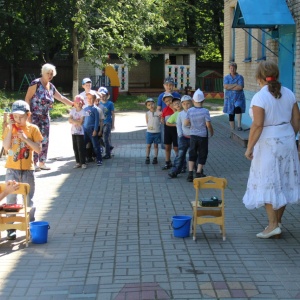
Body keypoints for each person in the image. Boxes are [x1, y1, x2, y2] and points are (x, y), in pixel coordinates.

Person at [243, 61, 300, 239]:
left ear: (259, 77)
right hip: (287, 140)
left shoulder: (260, 97)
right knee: (283, 181)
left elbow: (258, 125)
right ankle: (277, 222)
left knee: (268, 181)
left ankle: (273, 224)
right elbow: (297, 122)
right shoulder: (289, 93)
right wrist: (289, 137)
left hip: (268, 143)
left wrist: (249, 147)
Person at [2, 100, 43, 240]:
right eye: (16, 117)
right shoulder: (9, 128)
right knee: (11, 199)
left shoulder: (33, 129)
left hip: (27, 170)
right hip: (12, 170)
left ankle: (30, 225)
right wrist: (10, 127)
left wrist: (25, 139)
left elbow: (38, 149)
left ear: (28, 115)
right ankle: (11, 228)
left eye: (21, 117)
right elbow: (6, 148)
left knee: (28, 200)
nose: (18, 120)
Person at [25, 63, 73, 171]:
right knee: (34, 139)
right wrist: (28, 114)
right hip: (34, 116)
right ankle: (33, 163)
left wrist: (73, 104)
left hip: (45, 117)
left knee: (45, 140)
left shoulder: (51, 86)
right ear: (43, 73)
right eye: (48, 73)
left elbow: (61, 97)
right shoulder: (36, 83)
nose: (50, 75)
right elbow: (27, 98)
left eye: (51, 74)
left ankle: (42, 162)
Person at [184, 89, 214, 182]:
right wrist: (211, 132)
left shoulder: (190, 111)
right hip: (203, 136)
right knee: (202, 153)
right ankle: (198, 172)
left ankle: (190, 174)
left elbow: (185, 123)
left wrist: (192, 125)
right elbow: (208, 124)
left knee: (192, 153)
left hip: (193, 135)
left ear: (193, 101)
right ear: (203, 101)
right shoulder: (205, 111)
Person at [168, 95, 193, 178]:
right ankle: (175, 170)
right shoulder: (180, 114)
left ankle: (196, 170)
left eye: (188, 103)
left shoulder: (194, 112)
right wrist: (180, 135)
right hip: (183, 137)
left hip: (193, 137)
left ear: (191, 103)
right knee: (180, 154)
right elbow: (178, 125)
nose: (186, 105)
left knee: (194, 154)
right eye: (184, 104)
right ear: (182, 104)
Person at [156, 77, 181, 149]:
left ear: (173, 85)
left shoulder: (177, 95)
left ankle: (178, 152)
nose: (169, 87)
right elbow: (158, 109)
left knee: (177, 139)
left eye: (170, 85)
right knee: (166, 142)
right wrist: (160, 114)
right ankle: (167, 157)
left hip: (176, 117)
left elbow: (181, 106)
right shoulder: (161, 96)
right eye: (167, 85)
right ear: (164, 85)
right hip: (165, 118)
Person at [223, 62, 246, 131]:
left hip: (238, 97)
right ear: (229, 69)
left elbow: (240, 87)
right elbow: (225, 86)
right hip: (229, 98)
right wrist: (235, 84)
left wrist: (230, 86)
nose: (232, 70)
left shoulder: (240, 77)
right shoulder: (226, 77)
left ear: (236, 68)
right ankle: (232, 130)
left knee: (238, 108)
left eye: (233, 68)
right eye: (231, 68)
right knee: (231, 113)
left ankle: (239, 126)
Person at [83, 91, 103, 166]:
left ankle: (99, 159)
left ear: (94, 100)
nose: (89, 100)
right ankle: (84, 159)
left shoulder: (95, 109)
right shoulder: (85, 109)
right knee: (83, 145)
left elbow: (97, 121)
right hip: (85, 130)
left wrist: (95, 130)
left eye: (91, 98)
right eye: (88, 98)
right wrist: (82, 129)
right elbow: (84, 119)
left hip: (92, 130)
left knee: (95, 145)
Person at [161, 93, 178, 170]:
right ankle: (168, 162)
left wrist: (173, 109)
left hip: (176, 130)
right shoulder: (165, 109)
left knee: (176, 147)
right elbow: (163, 119)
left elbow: (178, 115)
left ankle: (180, 162)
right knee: (167, 146)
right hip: (167, 130)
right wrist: (161, 119)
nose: (169, 102)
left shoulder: (177, 109)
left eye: (170, 100)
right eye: (166, 101)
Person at [69, 95, 86, 169]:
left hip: (80, 132)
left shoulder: (83, 111)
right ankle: (78, 162)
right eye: (77, 103)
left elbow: (81, 123)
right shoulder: (72, 111)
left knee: (81, 147)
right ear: (75, 103)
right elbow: (69, 120)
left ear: (82, 104)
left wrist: (73, 121)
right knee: (75, 147)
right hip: (73, 132)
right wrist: (76, 121)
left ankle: (83, 162)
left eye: (80, 103)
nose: (79, 104)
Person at [98, 87, 115, 159]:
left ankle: (108, 154)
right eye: (101, 96)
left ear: (107, 95)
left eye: (104, 95)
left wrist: (113, 124)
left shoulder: (110, 103)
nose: (103, 97)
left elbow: (113, 114)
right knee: (98, 138)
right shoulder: (98, 103)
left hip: (107, 122)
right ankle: (109, 147)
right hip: (100, 123)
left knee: (105, 137)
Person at [145, 98, 161, 164]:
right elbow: (147, 122)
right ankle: (147, 157)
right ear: (147, 106)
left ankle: (155, 157)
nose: (151, 106)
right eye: (149, 105)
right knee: (148, 145)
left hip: (157, 132)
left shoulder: (158, 112)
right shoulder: (147, 113)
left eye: (152, 104)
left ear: (154, 104)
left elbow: (160, 120)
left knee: (156, 145)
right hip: (149, 132)